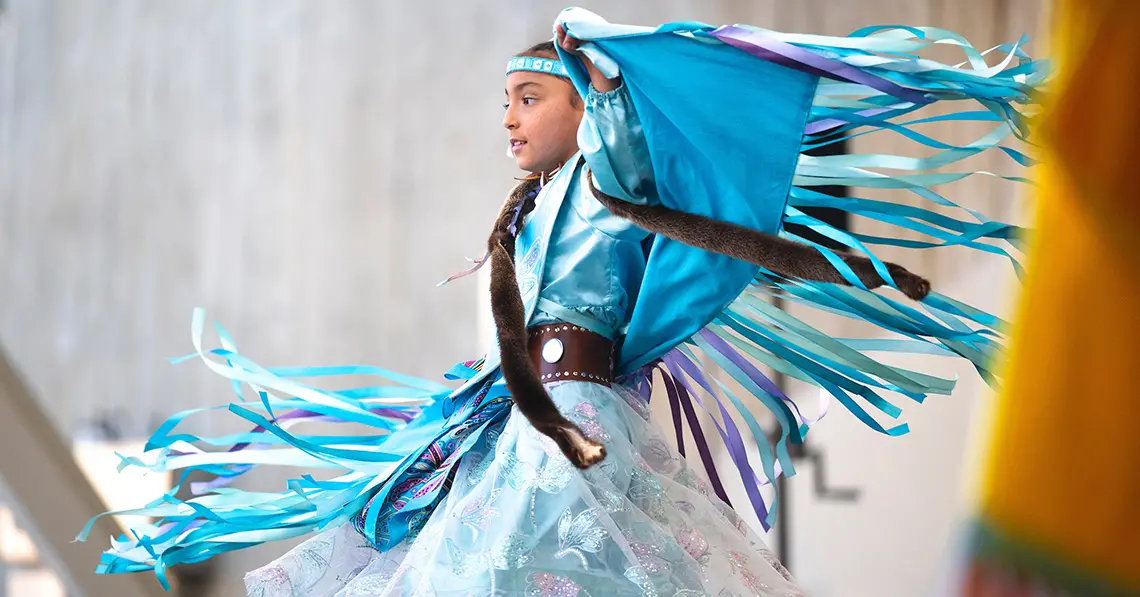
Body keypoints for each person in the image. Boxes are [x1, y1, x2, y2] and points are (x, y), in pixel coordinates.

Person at [81, 8, 1046, 597]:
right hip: (523, 415)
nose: (509, 117)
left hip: (577, 415)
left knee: (537, 550)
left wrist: (588, 49)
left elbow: (630, 122)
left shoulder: (608, 176)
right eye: (505, 101)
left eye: (530, 97)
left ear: (581, 106)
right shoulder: (524, 216)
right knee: (467, 553)